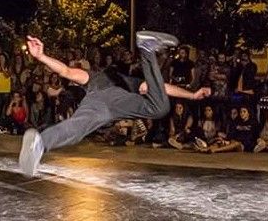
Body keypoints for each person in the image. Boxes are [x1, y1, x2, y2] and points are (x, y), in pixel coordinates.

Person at [19, 32, 211, 176]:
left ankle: (40, 143)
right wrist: (191, 95)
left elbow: (67, 72)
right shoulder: (134, 84)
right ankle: (146, 49)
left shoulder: (96, 76)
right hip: (113, 103)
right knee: (159, 108)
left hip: (97, 103)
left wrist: (41, 57)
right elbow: (162, 87)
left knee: (77, 128)